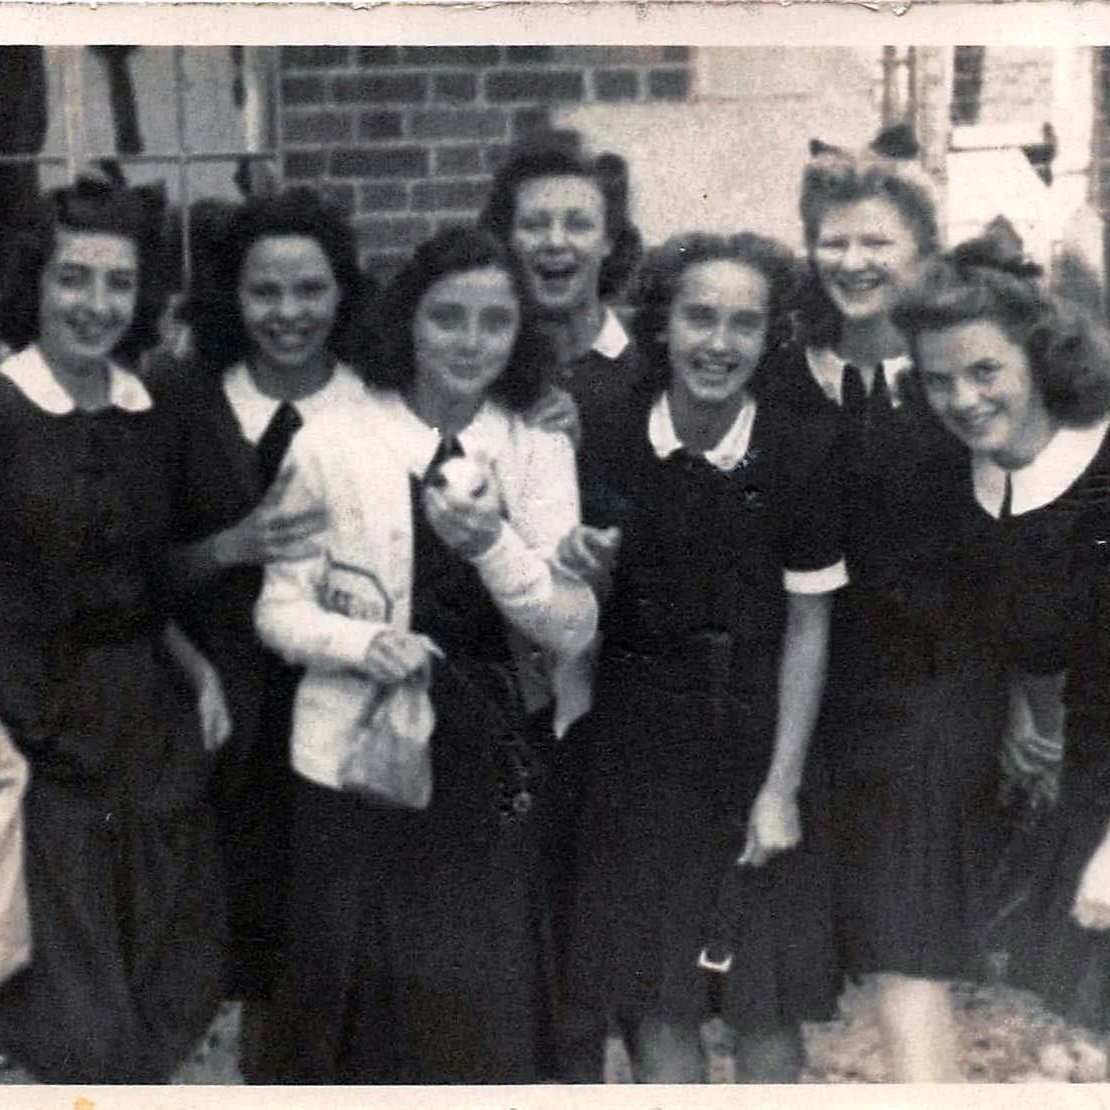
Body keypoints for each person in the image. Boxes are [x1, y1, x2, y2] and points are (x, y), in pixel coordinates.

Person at [254, 225, 598, 1083]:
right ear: (407, 320)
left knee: (477, 1024)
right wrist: (360, 642)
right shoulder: (330, 441)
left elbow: (569, 625)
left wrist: (493, 545)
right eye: (447, 317)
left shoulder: (536, 446)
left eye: (495, 321)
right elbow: (279, 608)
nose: (470, 342)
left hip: (487, 762)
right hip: (354, 764)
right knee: (358, 1024)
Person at [559, 232, 846, 1082]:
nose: (719, 343)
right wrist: (585, 571)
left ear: (771, 336)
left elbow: (809, 627)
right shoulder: (610, 434)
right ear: (662, 324)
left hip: (760, 736)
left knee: (764, 1003)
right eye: (699, 317)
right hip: (640, 747)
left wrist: (781, 789)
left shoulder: (803, 449)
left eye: (744, 323)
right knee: (658, 1000)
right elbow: (584, 602)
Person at [758, 127, 1000, 1081]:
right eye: (835, 241)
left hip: (928, 701)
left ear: (924, 253)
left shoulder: (961, 379)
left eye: (877, 242)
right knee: (843, 960)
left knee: (906, 956)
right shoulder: (788, 374)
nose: (853, 261)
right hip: (813, 698)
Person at [0, 176, 229, 1082]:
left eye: (119, 283)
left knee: (165, 995)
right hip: (36, 742)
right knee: (76, 1026)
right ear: (33, 282)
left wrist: (197, 669)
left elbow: (139, 579)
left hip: (148, 731)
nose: (96, 304)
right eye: (73, 278)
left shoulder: (150, 410)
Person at [151, 187, 370, 1082]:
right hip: (224, 723)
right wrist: (227, 548)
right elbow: (135, 572)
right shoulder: (183, 399)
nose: (288, 313)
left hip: (346, 713)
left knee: (336, 955)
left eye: (310, 289)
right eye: (264, 292)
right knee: (239, 953)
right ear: (231, 297)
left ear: (342, 292)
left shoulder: (376, 395)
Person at [893, 231, 1110, 1035]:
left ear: (1041, 358)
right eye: (938, 379)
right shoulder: (957, 480)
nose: (963, 398)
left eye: (986, 371)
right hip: (1076, 775)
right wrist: (1020, 700)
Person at [480, 125, 646, 1082]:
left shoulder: (644, 366)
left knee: (602, 931)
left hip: (623, 686)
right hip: (509, 683)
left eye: (577, 223)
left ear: (608, 240)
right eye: (534, 223)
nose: (555, 242)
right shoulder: (477, 352)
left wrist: (584, 462)